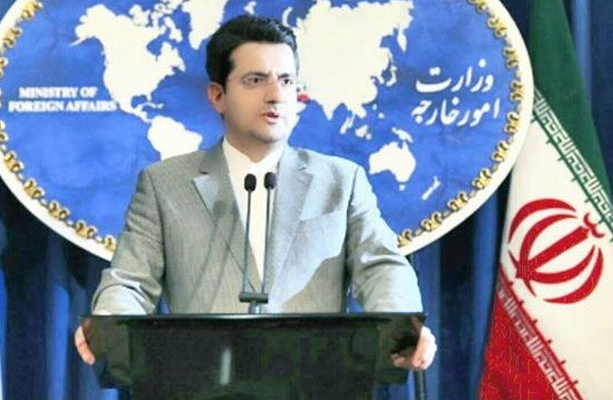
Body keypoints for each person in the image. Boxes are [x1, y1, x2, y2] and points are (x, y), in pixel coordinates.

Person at [75, 15, 436, 371]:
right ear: (218, 96)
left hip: (313, 383)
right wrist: (109, 326)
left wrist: (402, 328)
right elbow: (130, 283)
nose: (276, 95)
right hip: (203, 384)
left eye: (286, 80)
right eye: (255, 80)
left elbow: (381, 267)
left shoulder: (342, 181)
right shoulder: (164, 184)